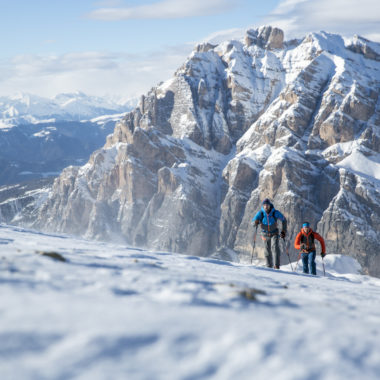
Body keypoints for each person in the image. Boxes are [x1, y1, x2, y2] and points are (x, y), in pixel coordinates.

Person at [252, 198, 287, 269]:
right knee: (267, 250)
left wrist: (283, 231)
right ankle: (269, 266)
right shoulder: (260, 213)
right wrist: (255, 222)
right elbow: (253, 223)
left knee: (275, 248)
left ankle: (276, 266)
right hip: (265, 234)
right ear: (263, 206)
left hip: (274, 233)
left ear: (270, 205)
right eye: (264, 205)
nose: (266, 207)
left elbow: (284, 220)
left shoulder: (275, 212)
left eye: (267, 205)